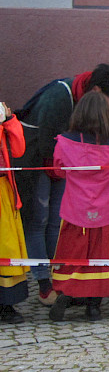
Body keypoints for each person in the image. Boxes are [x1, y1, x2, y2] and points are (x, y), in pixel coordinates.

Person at [12, 63, 109, 305]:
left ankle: (62, 282)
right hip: (35, 158)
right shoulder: (60, 95)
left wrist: (73, 158)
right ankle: (44, 282)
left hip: (65, 161)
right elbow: (46, 143)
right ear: (97, 92)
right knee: (38, 220)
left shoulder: (83, 114)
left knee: (56, 222)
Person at [48, 90, 109, 322]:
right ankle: (94, 307)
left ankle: (66, 295)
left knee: (74, 253)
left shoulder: (65, 141)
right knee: (101, 256)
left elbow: (58, 170)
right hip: (106, 210)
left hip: (75, 209)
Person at [0, 100, 29, 324]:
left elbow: (18, 150)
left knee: (7, 244)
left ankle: (6, 303)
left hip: (3, 189)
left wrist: (9, 122)